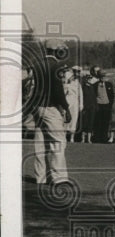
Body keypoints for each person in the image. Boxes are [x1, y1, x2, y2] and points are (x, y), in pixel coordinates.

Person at [31, 40, 72, 185]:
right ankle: (59, 178)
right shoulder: (56, 66)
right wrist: (66, 108)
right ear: (56, 51)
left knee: (40, 143)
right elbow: (58, 91)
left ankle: (40, 177)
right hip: (50, 107)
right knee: (58, 141)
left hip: (37, 106)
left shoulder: (37, 64)